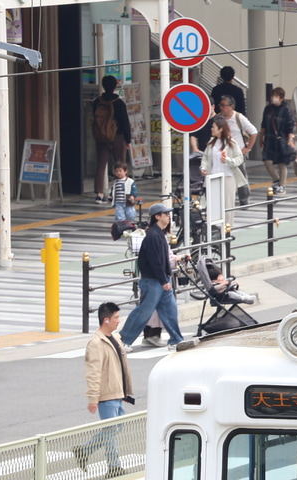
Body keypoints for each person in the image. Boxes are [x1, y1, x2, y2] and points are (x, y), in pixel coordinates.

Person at [74, 301, 133, 478]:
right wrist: (93, 398)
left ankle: (84, 450)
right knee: (111, 431)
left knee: (115, 427)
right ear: (105, 320)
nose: (119, 320)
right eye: (116, 317)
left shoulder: (114, 338)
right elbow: (93, 373)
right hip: (106, 394)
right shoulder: (96, 344)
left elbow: (121, 367)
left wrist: (125, 391)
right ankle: (114, 466)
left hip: (117, 392)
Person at [120, 203, 184, 349]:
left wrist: (166, 277)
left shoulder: (159, 234)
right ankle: (124, 340)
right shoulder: (153, 235)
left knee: (170, 310)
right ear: (157, 216)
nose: (169, 216)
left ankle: (176, 339)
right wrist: (164, 280)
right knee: (144, 312)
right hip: (153, 281)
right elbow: (155, 261)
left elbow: (161, 260)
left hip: (161, 280)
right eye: (166, 214)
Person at [91, 75, 131, 205]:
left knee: (100, 166)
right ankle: (120, 193)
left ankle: (99, 193)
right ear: (115, 86)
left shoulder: (97, 102)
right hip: (117, 137)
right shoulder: (119, 103)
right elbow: (125, 122)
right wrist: (128, 140)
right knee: (120, 165)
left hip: (101, 138)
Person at [200, 115, 245, 226]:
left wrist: (228, 160)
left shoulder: (231, 143)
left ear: (221, 129)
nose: (211, 129)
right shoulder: (211, 143)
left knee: (228, 205)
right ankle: (215, 229)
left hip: (228, 177)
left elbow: (240, 158)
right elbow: (205, 157)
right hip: (213, 177)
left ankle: (227, 229)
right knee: (213, 204)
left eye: (214, 127)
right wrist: (204, 168)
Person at [216, 95, 257, 205]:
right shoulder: (218, 118)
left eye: (223, 105)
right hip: (222, 152)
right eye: (220, 105)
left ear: (231, 107)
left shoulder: (239, 118)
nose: (221, 107)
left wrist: (248, 148)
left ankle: (244, 199)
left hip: (236, 152)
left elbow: (253, 132)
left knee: (240, 175)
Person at [259, 87, 296, 194]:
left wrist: (290, 139)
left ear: (282, 98)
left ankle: (282, 185)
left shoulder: (286, 110)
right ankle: (276, 179)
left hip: (281, 140)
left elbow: (290, 126)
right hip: (269, 139)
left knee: (282, 163)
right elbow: (264, 124)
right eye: (273, 96)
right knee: (267, 161)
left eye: (276, 96)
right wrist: (261, 137)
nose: (273, 98)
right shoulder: (268, 109)